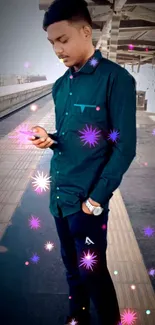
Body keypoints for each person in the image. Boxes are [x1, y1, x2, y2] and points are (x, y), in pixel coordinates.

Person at [29, 0, 137, 324]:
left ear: (86, 31)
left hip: (87, 204)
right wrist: (49, 137)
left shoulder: (116, 80)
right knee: (71, 270)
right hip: (60, 200)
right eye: (51, 43)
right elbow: (70, 137)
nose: (57, 50)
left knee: (94, 274)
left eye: (62, 40)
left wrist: (95, 200)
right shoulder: (60, 87)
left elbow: (124, 148)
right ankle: (77, 318)